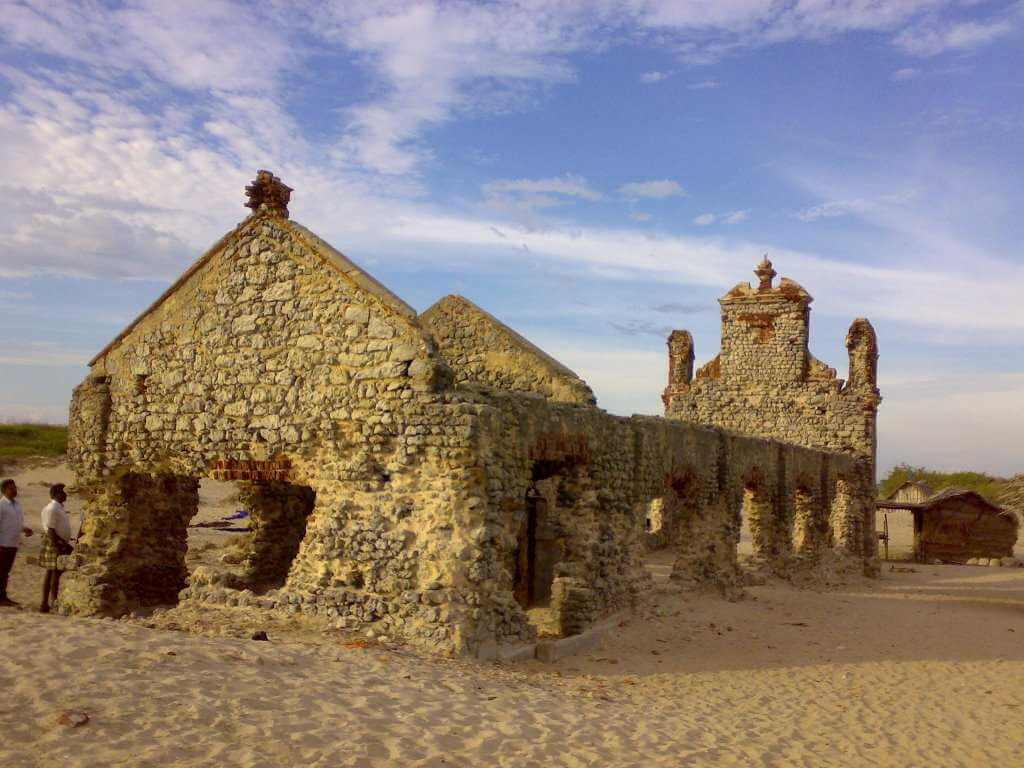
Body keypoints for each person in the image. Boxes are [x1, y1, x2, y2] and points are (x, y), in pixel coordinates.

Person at [0, 478, 34, 607]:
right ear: (4, 490)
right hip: (3, 544)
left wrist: (24, 529)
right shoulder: (1, 505)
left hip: (13, 543)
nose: (14, 490)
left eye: (15, 487)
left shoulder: (17, 505)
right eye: (11, 488)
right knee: (1, 572)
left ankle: (3, 597)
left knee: (5, 572)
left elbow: (14, 523)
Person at [39, 483, 72, 613]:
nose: (66, 495)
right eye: (63, 492)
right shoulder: (52, 509)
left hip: (59, 542)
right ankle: (47, 603)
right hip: (54, 543)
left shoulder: (58, 508)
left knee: (54, 574)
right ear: (57, 493)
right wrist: (58, 546)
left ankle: (51, 602)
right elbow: (50, 530)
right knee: (52, 573)